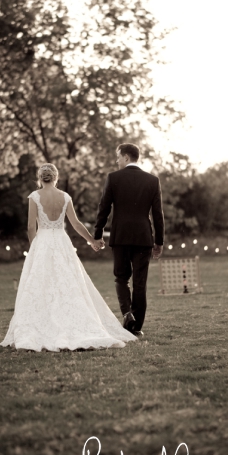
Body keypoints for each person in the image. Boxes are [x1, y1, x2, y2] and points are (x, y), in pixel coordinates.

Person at [0, 164, 137, 352]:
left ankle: (42, 323)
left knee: (40, 283)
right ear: (56, 177)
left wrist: (34, 247)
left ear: (40, 178)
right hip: (62, 242)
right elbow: (76, 224)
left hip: (43, 242)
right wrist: (91, 240)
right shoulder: (65, 197)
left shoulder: (35, 197)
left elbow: (31, 226)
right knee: (68, 282)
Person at [93, 143, 164, 337]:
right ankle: (137, 327)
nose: (117, 161)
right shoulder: (152, 180)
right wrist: (159, 242)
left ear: (126, 157)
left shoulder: (113, 178)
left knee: (121, 278)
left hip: (121, 237)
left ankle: (127, 313)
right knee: (140, 283)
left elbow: (104, 208)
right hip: (143, 238)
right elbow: (158, 215)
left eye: (118, 157)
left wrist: (97, 234)